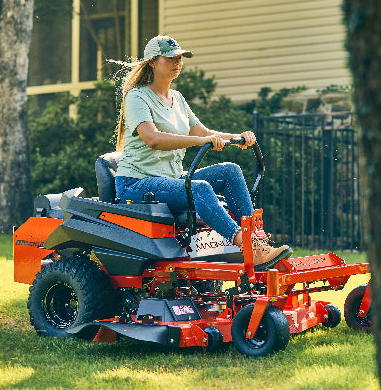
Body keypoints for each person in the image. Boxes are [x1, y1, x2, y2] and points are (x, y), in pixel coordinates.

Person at [113, 35, 292, 270]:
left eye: (180, 58)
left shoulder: (177, 98)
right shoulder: (137, 97)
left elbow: (204, 132)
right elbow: (153, 139)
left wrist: (237, 138)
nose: (178, 62)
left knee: (230, 171)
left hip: (170, 178)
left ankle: (257, 241)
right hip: (136, 183)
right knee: (199, 188)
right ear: (153, 62)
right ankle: (248, 247)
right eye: (170, 58)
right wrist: (201, 140)